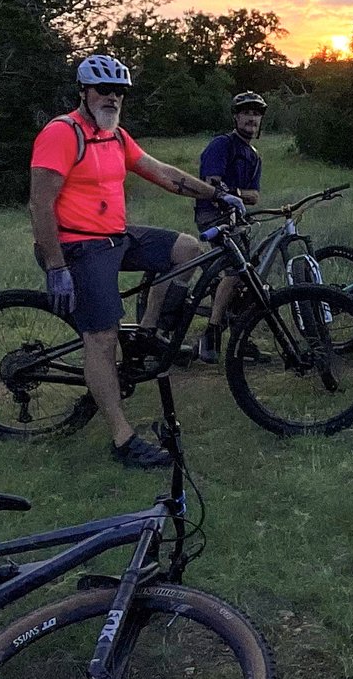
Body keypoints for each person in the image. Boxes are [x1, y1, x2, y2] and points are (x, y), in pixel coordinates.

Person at [30, 53, 242, 465]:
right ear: (84, 92)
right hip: (78, 247)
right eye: (104, 90)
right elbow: (40, 205)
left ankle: (148, 330)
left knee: (186, 249)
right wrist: (56, 268)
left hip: (115, 237)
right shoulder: (62, 133)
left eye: (119, 92)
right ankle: (123, 440)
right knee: (102, 338)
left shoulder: (115, 137)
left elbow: (162, 173)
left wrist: (216, 194)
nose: (112, 98)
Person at [193, 92, 267, 367]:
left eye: (256, 114)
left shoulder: (254, 156)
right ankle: (211, 333)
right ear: (235, 117)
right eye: (246, 112)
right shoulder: (222, 144)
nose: (251, 118)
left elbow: (255, 197)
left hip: (236, 218)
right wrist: (234, 193)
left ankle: (241, 339)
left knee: (250, 279)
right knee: (238, 272)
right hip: (212, 215)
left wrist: (233, 192)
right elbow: (212, 184)